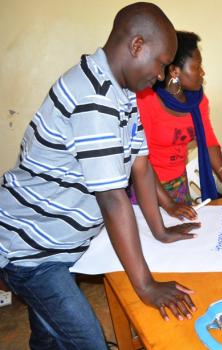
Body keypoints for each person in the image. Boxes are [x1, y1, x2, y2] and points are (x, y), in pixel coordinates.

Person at [0, 3, 199, 349]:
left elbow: (140, 165)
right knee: (88, 340)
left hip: (62, 244)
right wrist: (146, 286)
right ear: (137, 46)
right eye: (162, 63)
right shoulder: (94, 98)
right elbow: (111, 198)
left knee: (50, 331)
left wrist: (160, 230)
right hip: (32, 250)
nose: (165, 75)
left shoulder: (124, 91)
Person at [136, 31, 222, 215]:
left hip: (179, 184)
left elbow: (209, 142)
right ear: (174, 70)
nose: (202, 72)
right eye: (197, 66)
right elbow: (140, 160)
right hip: (148, 188)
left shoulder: (197, 100)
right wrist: (168, 204)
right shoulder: (146, 100)